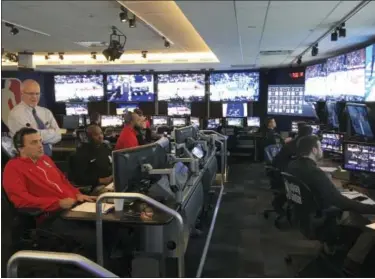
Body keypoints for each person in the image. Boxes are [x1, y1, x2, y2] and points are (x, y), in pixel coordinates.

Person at [2, 127, 121, 269]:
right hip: (50, 216)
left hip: (72, 206)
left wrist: (77, 194)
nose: (40, 145)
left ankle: (113, 267)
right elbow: (21, 200)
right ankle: (98, 270)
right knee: (93, 237)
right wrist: (57, 203)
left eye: (40, 141)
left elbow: (64, 182)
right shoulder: (13, 168)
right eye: (34, 143)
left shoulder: (45, 160)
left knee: (111, 224)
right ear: (21, 148)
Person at [287, 135, 375, 275]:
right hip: (322, 219)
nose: (322, 150)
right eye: (320, 147)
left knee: (354, 212)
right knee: (372, 224)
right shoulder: (314, 172)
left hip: (301, 216)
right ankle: (352, 263)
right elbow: (339, 201)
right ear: (314, 150)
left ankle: (334, 249)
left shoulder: (292, 165)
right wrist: (371, 208)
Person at [7, 79, 61, 156]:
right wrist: (51, 132)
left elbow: (58, 135)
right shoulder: (16, 114)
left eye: (37, 93)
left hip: (47, 158)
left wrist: (39, 133)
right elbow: (29, 139)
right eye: (31, 94)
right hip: (27, 159)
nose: (35, 97)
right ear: (22, 93)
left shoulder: (46, 112)